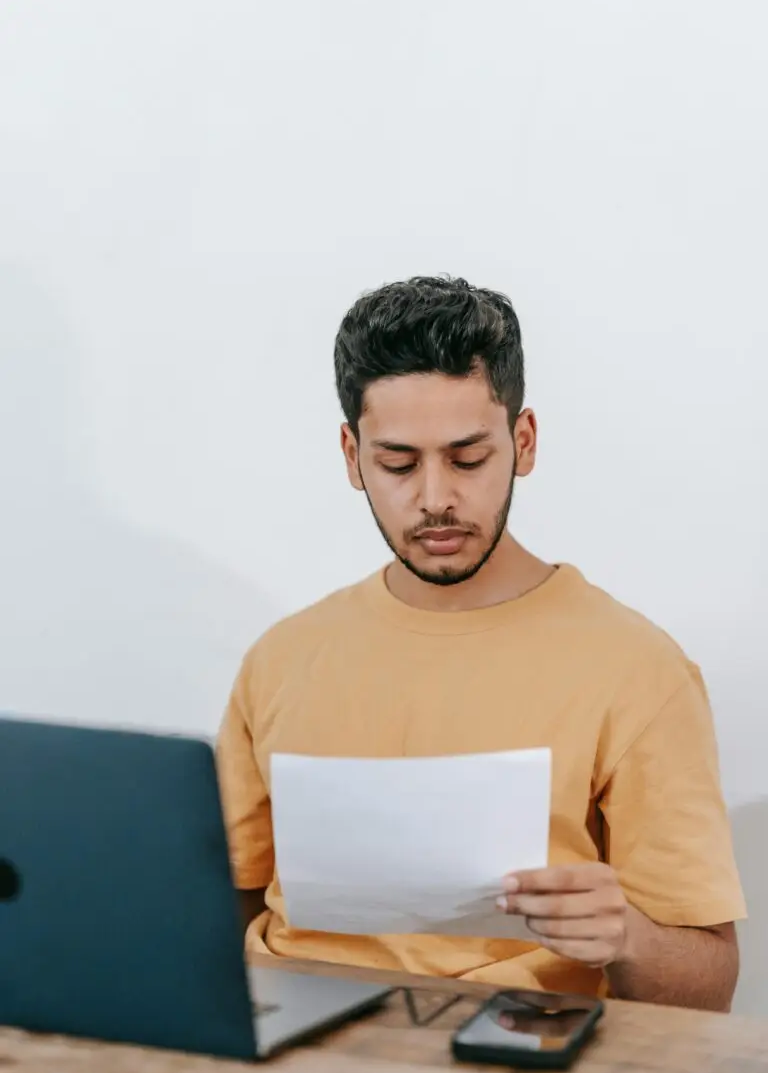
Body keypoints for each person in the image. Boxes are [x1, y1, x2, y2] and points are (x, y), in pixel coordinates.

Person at [217, 276, 745, 1010]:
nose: (435, 497)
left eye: (468, 458)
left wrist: (624, 934)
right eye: (398, 464)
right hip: (288, 1049)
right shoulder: (281, 660)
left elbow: (708, 989)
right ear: (351, 454)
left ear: (522, 443)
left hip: (510, 1060)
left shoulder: (637, 671)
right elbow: (222, 909)